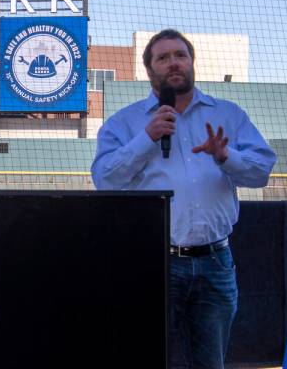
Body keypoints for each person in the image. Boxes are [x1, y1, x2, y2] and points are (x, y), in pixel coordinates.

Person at [90, 29, 276, 369]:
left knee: (210, 362)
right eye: (163, 58)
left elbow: (261, 171)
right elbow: (104, 179)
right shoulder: (126, 123)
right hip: (153, 261)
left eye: (180, 55)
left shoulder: (228, 116)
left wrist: (225, 156)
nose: (173, 63)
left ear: (192, 62)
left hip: (215, 262)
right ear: (149, 71)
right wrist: (147, 138)